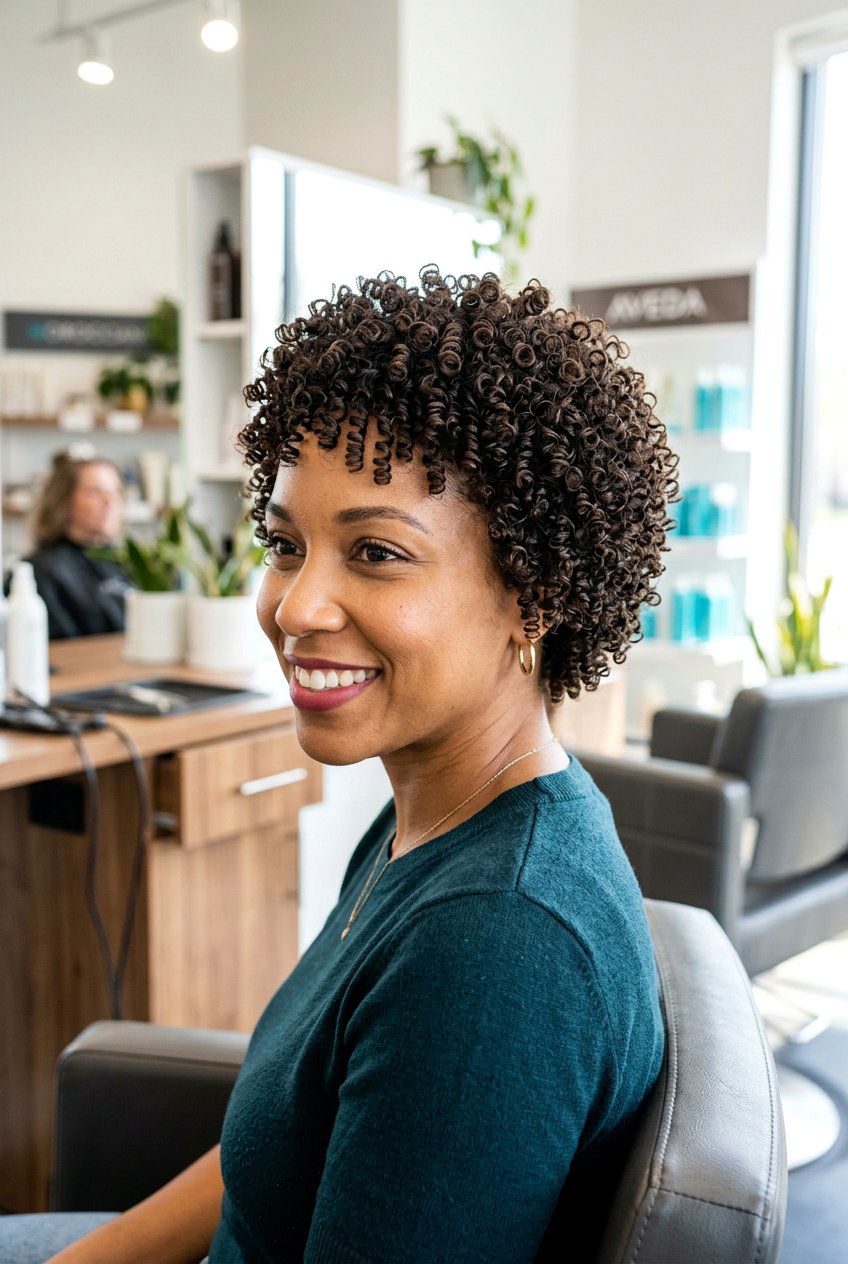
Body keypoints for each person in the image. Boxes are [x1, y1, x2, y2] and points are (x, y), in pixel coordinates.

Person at [2, 266, 678, 1263]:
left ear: (533, 594)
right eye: (285, 543)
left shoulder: (494, 947)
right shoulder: (432, 812)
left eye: (376, 553)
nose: (295, 606)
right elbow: (271, 1141)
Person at [18, 452, 132, 639]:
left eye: (116, 492)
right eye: (95, 492)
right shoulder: (42, 569)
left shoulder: (122, 561)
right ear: (65, 500)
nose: (109, 502)